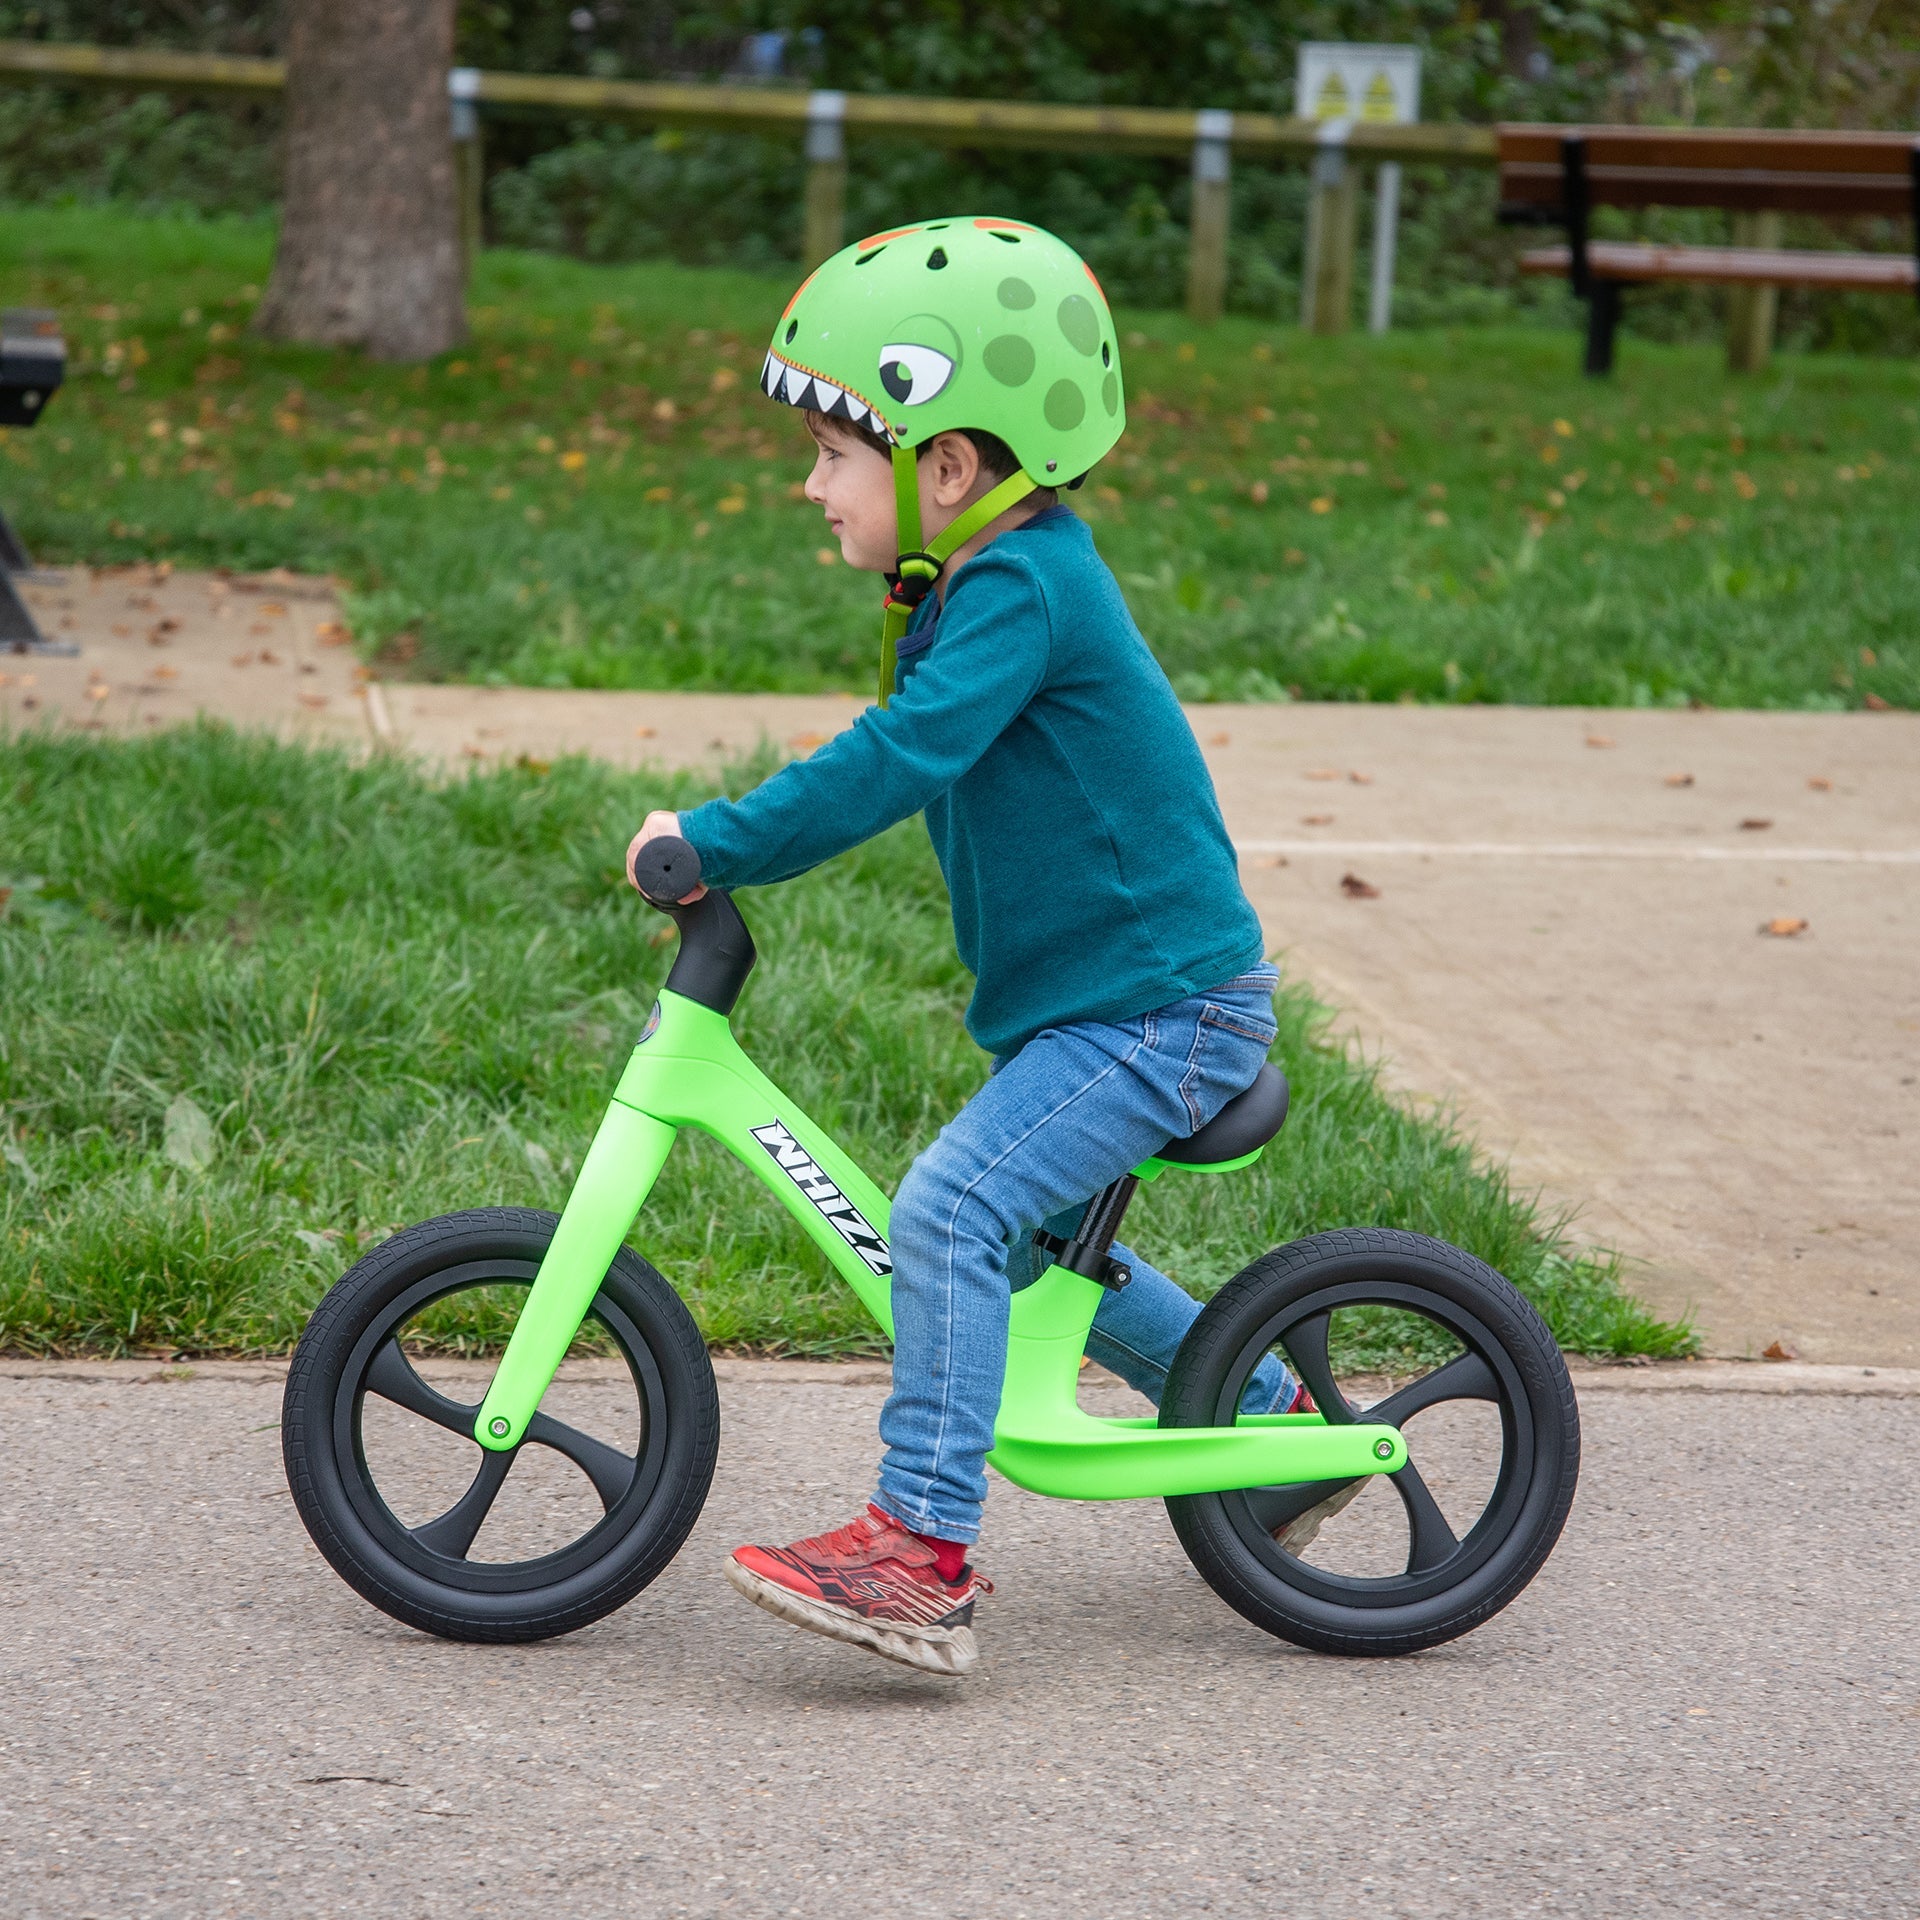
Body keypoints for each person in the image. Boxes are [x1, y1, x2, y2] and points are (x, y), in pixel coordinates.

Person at [626, 218, 1309, 1678]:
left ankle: (919, 1554)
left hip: (1160, 1015)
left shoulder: (1018, 591)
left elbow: (900, 759)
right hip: (1117, 1005)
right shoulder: (983, 581)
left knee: (945, 1214)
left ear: (947, 465)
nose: (808, 485)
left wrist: (721, 840)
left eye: (833, 453)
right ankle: (1270, 1425)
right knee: (1044, 1245)